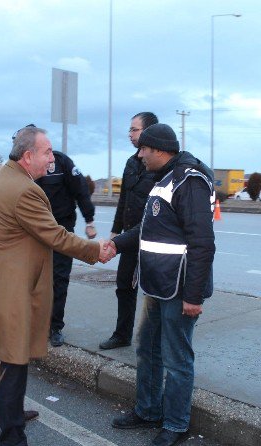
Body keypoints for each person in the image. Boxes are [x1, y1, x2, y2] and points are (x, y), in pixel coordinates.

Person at [0, 126, 114, 446]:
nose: (52, 159)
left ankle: (1, 413)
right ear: (28, 155)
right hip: (12, 291)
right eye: (47, 152)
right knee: (13, 361)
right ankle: (12, 435)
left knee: (2, 357)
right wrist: (95, 250)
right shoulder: (25, 190)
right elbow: (55, 235)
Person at [108, 123, 215, 446]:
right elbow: (148, 228)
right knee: (148, 349)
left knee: (177, 358)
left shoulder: (189, 181)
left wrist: (193, 296)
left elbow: (202, 242)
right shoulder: (164, 180)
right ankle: (148, 409)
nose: (139, 155)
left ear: (159, 150)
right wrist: (116, 244)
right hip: (156, 283)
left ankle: (176, 423)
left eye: (143, 149)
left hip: (179, 288)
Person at [32, 124, 97, 347]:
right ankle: (35, 323)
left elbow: (81, 190)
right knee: (33, 278)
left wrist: (89, 221)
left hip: (61, 228)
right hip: (35, 231)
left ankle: (55, 326)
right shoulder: (22, 167)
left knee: (59, 278)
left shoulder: (61, 163)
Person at [100, 111, 159, 350]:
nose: (130, 134)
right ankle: (122, 334)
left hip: (154, 239)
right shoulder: (130, 163)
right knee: (124, 285)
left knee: (156, 290)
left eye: (134, 129)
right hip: (129, 238)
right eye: (130, 130)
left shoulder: (160, 166)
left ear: (148, 131)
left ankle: (154, 338)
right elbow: (124, 199)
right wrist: (116, 232)